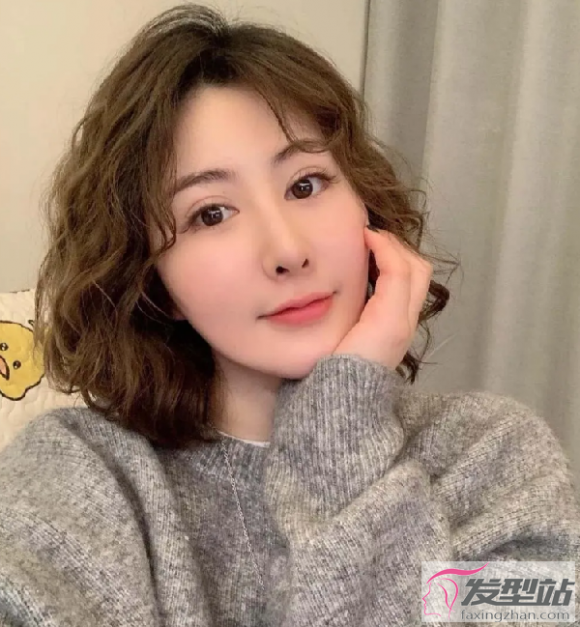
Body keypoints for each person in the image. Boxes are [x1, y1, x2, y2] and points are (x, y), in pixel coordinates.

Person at [0, 4, 578, 626]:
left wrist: (341, 419)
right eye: (211, 214)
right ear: (154, 283)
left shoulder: (494, 455)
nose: (287, 250)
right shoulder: (75, 475)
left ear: (366, 208)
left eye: (306, 184)